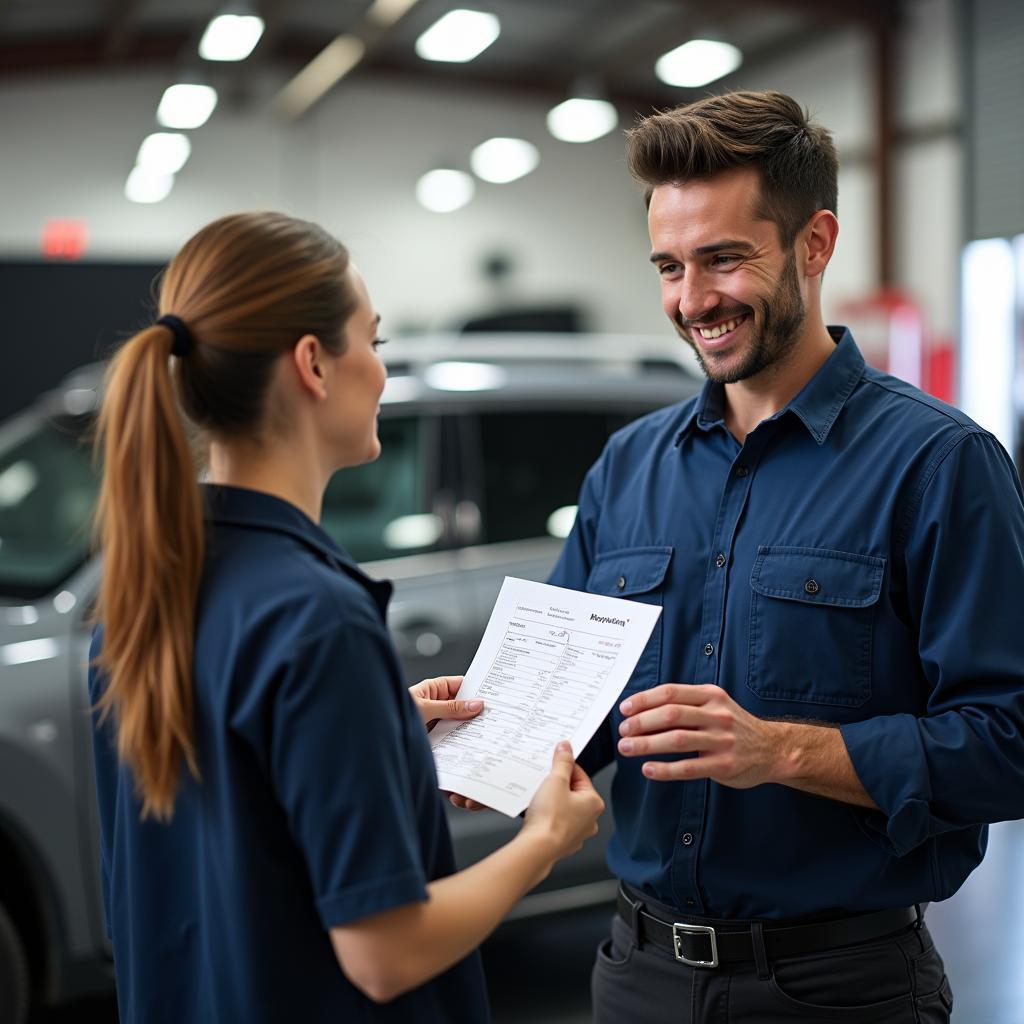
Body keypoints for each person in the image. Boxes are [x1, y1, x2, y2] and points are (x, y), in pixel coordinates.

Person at [545, 90, 1024, 1021]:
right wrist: (475, 742)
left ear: (815, 243)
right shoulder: (627, 467)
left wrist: (783, 751)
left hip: (840, 990)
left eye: (724, 259)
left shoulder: (938, 465)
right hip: (636, 976)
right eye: (670, 267)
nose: (692, 301)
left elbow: (1011, 739)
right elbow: (576, 707)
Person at [89, 211, 604, 1024]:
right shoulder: (318, 618)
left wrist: (382, 728)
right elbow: (384, 954)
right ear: (314, 366)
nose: (382, 370)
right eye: (376, 342)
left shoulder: (145, 593)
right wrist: (544, 839)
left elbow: (211, 835)